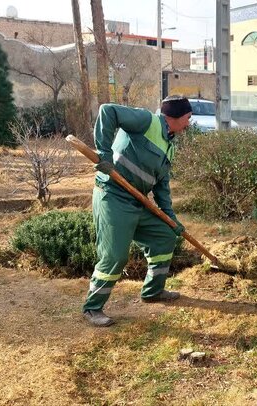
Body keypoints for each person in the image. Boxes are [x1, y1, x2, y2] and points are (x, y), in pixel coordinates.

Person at [82, 96, 193, 327]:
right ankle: (93, 308)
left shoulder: (168, 147)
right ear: (174, 116)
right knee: (115, 256)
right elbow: (108, 110)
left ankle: (153, 291)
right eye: (188, 117)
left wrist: (171, 219)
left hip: (137, 201)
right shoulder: (147, 121)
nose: (189, 123)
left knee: (164, 236)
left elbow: (162, 187)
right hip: (113, 196)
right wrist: (103, 152)